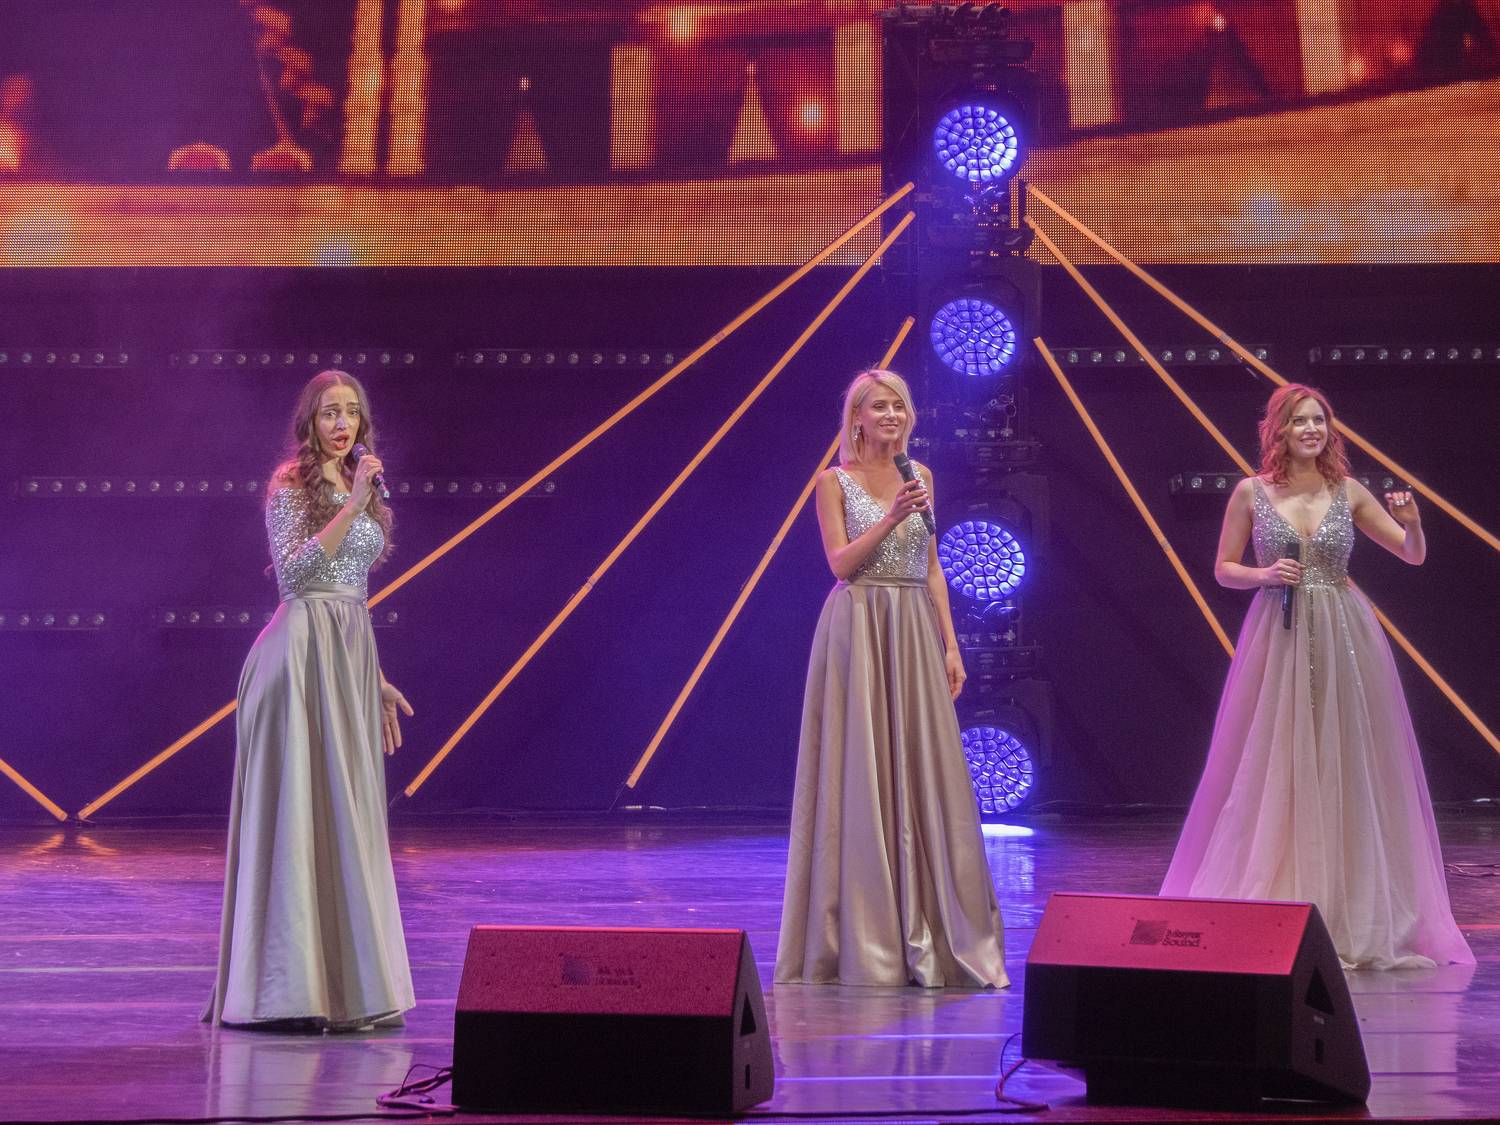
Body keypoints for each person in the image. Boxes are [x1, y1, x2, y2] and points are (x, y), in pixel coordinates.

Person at [1161, 383, 1473, 970]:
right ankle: (1279, 888)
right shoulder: (1251, 492)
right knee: (1275, 754)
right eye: (1300, 421)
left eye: (1320, 421)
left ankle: (1351, 903)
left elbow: (1411, 555)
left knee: (1344, 756)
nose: (1312, 430)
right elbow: (1223, 569)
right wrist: (1262, 575)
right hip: (1277, 635)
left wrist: (1413, 524)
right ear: (1278, 429)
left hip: (1343, 631)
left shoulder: (1347, 491)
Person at [775, 369, 1008, 988]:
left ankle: (932, 918)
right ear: (856, 417)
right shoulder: (834, 482)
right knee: (861, 765)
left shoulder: (920, 474)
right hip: (859, 622)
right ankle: (865, 929)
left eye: (900, 406)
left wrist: (951, 644)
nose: (892, 416)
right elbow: (841, 564)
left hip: (912, 626)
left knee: (922, 763)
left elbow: (931, 568)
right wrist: (889, 518)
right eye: (879, 406)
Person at [205, 369, 417, 1029]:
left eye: (352, 411)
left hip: (347, 656)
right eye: (330, 412)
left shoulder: (359, 485)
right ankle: (287, 992)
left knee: (345, 818)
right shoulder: (290, 485)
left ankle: (348, 988)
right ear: (310, 421)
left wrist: (373, 677)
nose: (342, 423)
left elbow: (352, 590)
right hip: (295, 657)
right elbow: (296, 574)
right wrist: (351, 507)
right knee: (298, 813)